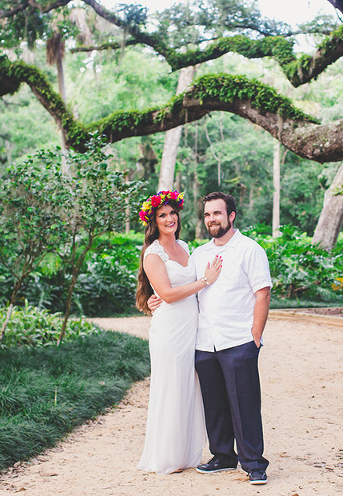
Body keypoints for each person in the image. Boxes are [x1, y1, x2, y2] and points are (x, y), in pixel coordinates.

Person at [149, 191, 272, 485]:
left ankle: (253, 462)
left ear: (231, 216)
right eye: (207, 214)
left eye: (217, 213)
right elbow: (174, 284)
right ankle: (223, 456)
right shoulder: (199, 253)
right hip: (203, 342)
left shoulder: (250, 249)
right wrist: (155, 300)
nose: (211, 219)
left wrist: (255, 336)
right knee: (214, 405)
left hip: (238, 340)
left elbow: (262, 293)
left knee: (244, 403)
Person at [135, 190, 223, 475]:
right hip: (170, 329)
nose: (170, 218)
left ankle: (187, 453)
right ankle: (166, 456)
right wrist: (204, 281)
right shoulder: (153, 253)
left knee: (189, 387)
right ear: (153, 221)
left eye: (173, 213)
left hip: (192, 329)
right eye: (163, 215)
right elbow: (169, 294)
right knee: (171, 387)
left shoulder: (185, 246)